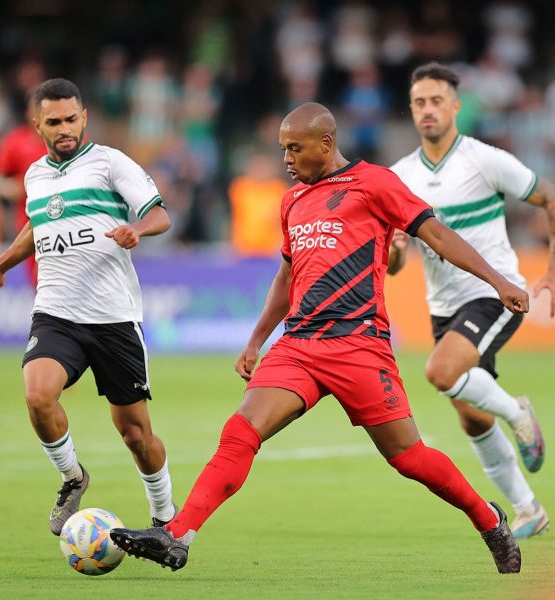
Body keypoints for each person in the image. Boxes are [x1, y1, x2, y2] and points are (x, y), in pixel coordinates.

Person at [110, 102, 525, 574]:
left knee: (409, 458)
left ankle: (488, 519)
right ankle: (178, 535)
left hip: (359, 344)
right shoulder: (292, 202)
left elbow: (439, 236)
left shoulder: (375, 183)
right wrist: (256, 340)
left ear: (325, 143)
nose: (286, 158)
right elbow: (287, 278)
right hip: (300, 345)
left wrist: (499, 282)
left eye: (294, 148)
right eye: (282, 149)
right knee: (240, 432)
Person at [0, 78, 177, 535]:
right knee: (37, 395)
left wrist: (136, 232)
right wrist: (2, 262)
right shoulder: (35, 175)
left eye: (71, 119)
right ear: (37, 125)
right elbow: (37, 225)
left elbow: (160, 214)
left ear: (84, 117)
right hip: (57, 313)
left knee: (136, 435)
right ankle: (72, 477)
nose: (64, 128)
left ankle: (165, 521)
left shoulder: (110, 163)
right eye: (54, 122)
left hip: (113, 319)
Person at [389, 62, 555, 539]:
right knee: (470, 415)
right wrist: (395, 250)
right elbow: (394, 264)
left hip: (495, 292)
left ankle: (518, 411)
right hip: (442, 305)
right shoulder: (399, 176)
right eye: (420, 103)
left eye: (437, 101)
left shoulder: (485, 160)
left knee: (441, 372)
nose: (428, 110)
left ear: (455, 107)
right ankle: (528, 508)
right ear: (411, 110)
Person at [0, 94, 47, 286]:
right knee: (39, 282)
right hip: (27, 225)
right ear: (28, 112)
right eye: (35, 107)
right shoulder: (16, 141)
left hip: (66, 218)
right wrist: (16, 188)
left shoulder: (66, 141)